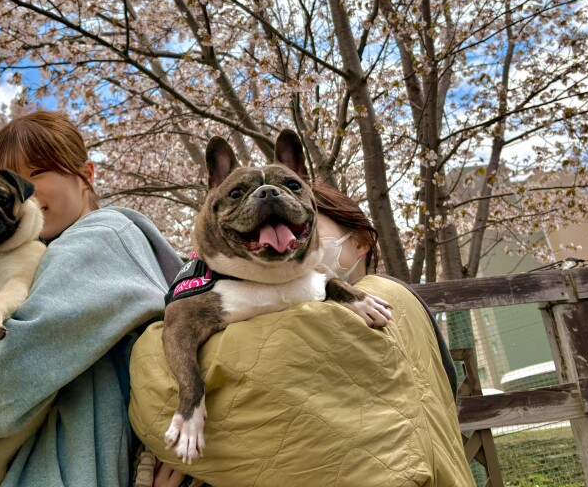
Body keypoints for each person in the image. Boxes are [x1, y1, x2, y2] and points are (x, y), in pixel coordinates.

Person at [0, 110, 182, 487]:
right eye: (10, 181)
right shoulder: (28, 260)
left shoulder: (102, 237)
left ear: (86, 174)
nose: (25, 191)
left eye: (36, 172)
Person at [134, 182, 471, 487]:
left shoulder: (373, 301)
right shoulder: (258, 300)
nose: (283, 246)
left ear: (360, 243)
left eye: (303, 231)